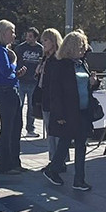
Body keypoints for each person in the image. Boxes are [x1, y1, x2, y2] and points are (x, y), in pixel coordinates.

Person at [40, 30, 97, 191]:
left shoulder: (82, 63)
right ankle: (54, 170)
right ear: (72, 47)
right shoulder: (61, 65)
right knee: (65, 142)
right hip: (68, 111)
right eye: (81, 46)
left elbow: (86, 86)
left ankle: (78, 180)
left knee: (80, 144)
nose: (84, 49)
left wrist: (93, 82)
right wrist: (58, 114)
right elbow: (55, 92)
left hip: (83, 110)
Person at [0, 19, 23, 174]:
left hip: (11, 89)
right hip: (5, 91)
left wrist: (17, 74)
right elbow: (6, 72)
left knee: (16, 127)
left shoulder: (4, 50)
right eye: (12, 32)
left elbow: (10, 74)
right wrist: (14, 63)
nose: (14, 35)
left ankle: (15, 162)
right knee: (8, 129)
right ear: (3, 33)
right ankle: (5, 165)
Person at [36, 28, 64, 163]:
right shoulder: (45, 58)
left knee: (57, 132)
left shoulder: (58, 59)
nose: (43, 43)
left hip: (55, 101)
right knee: (50, 132)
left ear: (53, 41)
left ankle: (59, 160)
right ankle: (53, 160)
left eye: (46, 40)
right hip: (46, 99)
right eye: (42, 41)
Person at [14, 27, 45, 137]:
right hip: (21, 81)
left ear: (36, 38)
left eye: (30, 36)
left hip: (33, 82)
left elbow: (43, 62)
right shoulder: (20, 48)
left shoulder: (40, 49)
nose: (28, 38)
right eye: (27, 36)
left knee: (32, 107)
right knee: (18, 106)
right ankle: (16, 129)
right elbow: (14, 61)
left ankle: (30, 129)